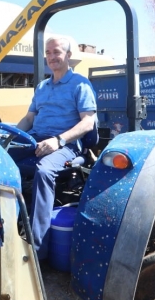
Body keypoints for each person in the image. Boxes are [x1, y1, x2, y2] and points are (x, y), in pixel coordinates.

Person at [14, 36, 97, 260]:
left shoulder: (80, 84)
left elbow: (88, 122)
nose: (52, 57)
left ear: (68, 55)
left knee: (44, 170)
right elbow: (29, 118)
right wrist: (10, 137)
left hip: (67, 144)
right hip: (37, 139)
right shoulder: (42, 86)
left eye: (57, 52)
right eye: (48, 53)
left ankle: (37, 249)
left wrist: (58, 141)